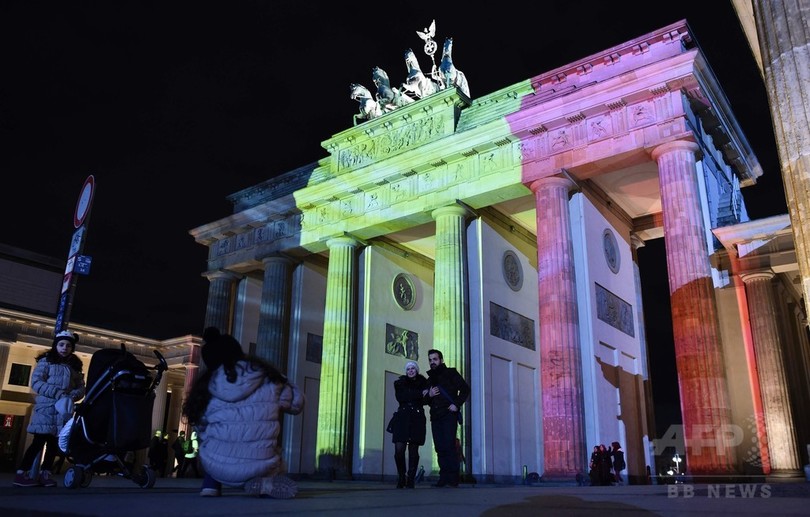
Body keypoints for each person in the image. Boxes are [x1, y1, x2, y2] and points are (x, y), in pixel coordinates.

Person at [182, 327, 304, 498]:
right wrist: (282, 379)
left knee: (209, 436)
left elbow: (200, 426)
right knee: (265, 452)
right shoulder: (267, 376)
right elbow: (296, 405)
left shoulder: (206, 386)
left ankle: (210, 485)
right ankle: (263, 482)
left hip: (215, 464)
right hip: (262, 463)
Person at [13, 330, 85, 487]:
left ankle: (45, 474)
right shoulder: (46, 362)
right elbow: (37, 382)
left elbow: (81, 387)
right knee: (38, 442)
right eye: (61, 345)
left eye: (68, 345)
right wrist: (57, 392)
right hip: (46, 408)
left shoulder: (74, 366)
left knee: (54, 445)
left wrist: (72, 395)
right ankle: (21, 474)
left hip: (62, 411)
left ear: (72, 348)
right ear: (55, 346)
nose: (64, 348)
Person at [425, 349, 469, 488]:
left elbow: (465, 389)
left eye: (435, 359)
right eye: (430, 360)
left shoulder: (451, 373)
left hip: (449, 415)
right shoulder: (429, 379)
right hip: (435, 416)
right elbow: (425, 400)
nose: (432, 362)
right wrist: (429, 395)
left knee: (450, 446)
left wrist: (456, 404)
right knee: (439, 447)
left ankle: (453, 478)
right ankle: (443, 477)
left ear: (441, 360)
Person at [390, 360, 429, 488]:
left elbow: (426, 400)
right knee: (399, 450)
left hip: (417, 418)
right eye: (408, 369)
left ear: (417, 370)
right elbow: (401, 397)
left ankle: (410, 478)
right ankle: (402, 476)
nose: (410, 371)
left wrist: (417, 396)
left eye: (413, 368)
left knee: (414, 450)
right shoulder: (399, 383)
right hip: (402, 417)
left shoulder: (424, 383)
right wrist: (419, 394)